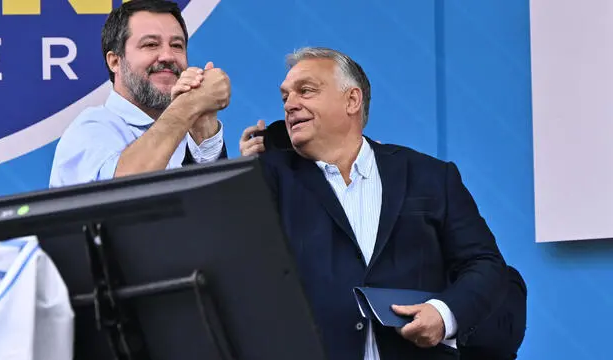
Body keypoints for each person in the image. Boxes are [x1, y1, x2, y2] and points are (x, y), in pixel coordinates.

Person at [240, 47, 509, 360]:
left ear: (352, 100)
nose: (290, 105)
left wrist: (444, 314)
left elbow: (485, 264)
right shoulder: (264, 181)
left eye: (306, 91)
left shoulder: (430, 176)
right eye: (285, 96)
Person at [50, 0, 230, 187]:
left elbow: (216, 210)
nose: (168, 56)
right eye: (151, 44)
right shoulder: (89, 130)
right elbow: (122, 195)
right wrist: (189, 106)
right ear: (114, 62)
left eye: (177, 45)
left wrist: (204, 132)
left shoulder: (186, 130)